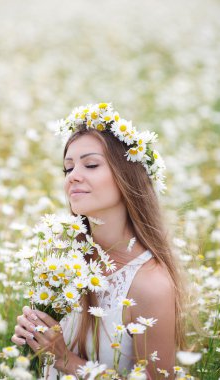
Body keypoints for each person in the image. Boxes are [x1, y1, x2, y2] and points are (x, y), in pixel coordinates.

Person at [12, 103, 186, 379]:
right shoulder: (64, 260)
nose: (73, 177)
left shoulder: (150, 283)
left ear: (127, 177)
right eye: (67, 169)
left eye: (90, 164)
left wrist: (66, 360)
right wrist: (34, 338)